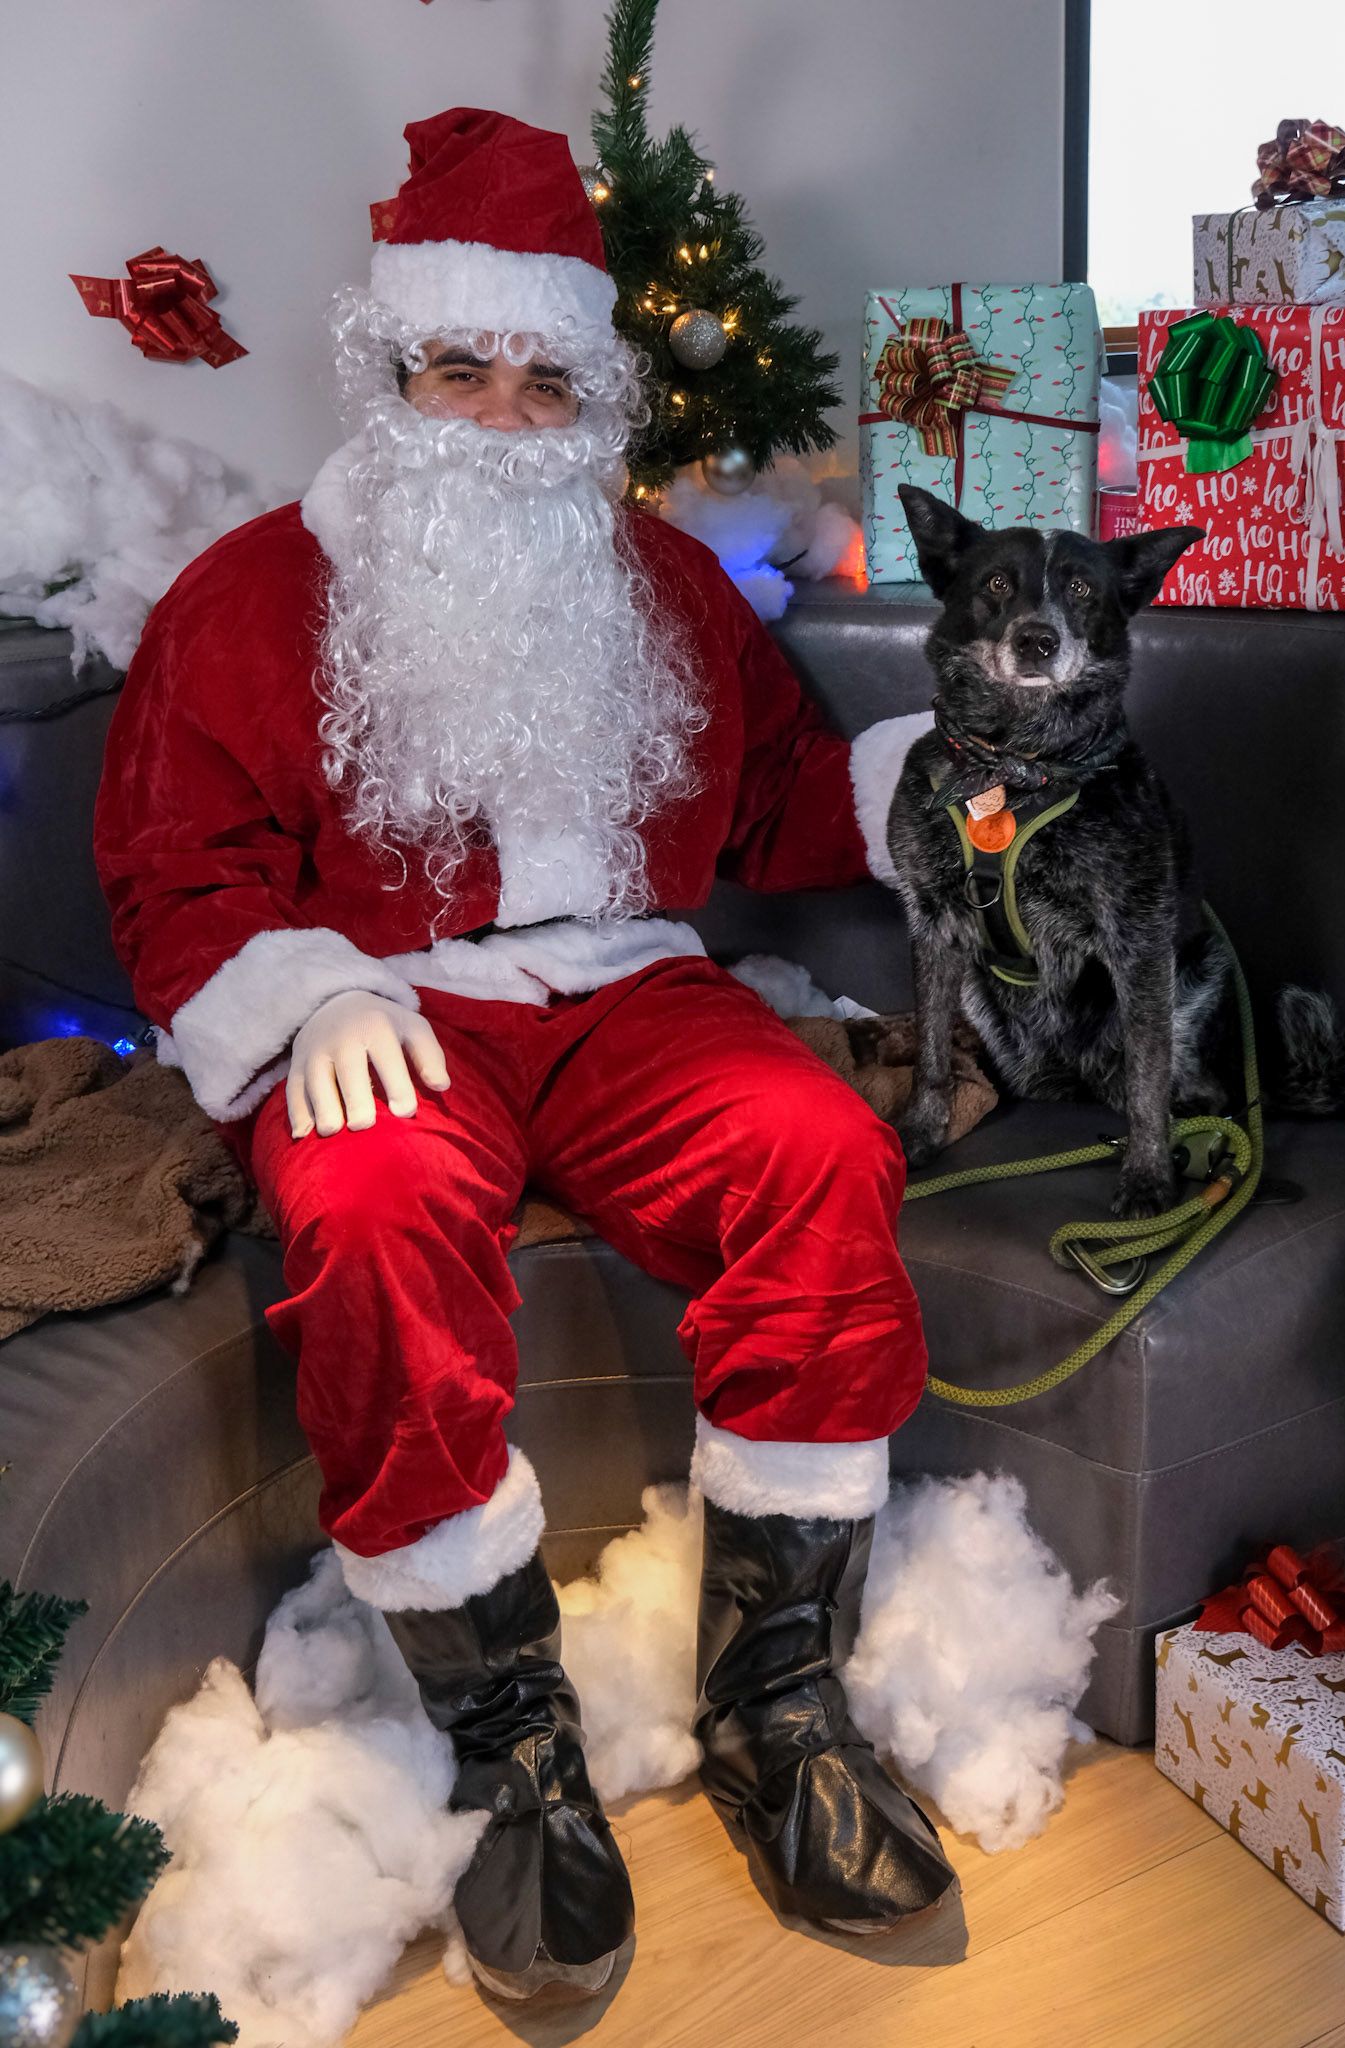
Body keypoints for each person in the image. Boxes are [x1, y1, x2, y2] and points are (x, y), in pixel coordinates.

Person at [95, 106, 957, 2002]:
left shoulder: (657, 583)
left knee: (816, 1149)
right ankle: (513, 1753)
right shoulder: (252, 596)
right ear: (393, 375)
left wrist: (933, 789)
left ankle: (778, 1705)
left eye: (544, 380)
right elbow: (175, 862)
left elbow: (776, 792)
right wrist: (301, 995)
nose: (502, 414)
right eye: (459, 370)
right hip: (387, 1001)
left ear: (590, 398)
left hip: (631, 994)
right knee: (375, 1204)